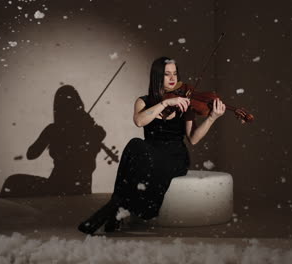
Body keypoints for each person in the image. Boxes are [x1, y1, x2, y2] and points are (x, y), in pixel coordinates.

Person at [78, 57, 226, 234]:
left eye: (175, 74)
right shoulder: (144, 101)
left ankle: (111, 210)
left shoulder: (185, 104)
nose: (172, 78)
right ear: (157, 77)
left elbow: (193, 138)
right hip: (149, 153)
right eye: (166, 74)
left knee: (139, 163)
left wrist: (211, 118)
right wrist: (164, 102)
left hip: (175, 156)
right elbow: (139, 121)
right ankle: (115, 211)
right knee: (135, 144)